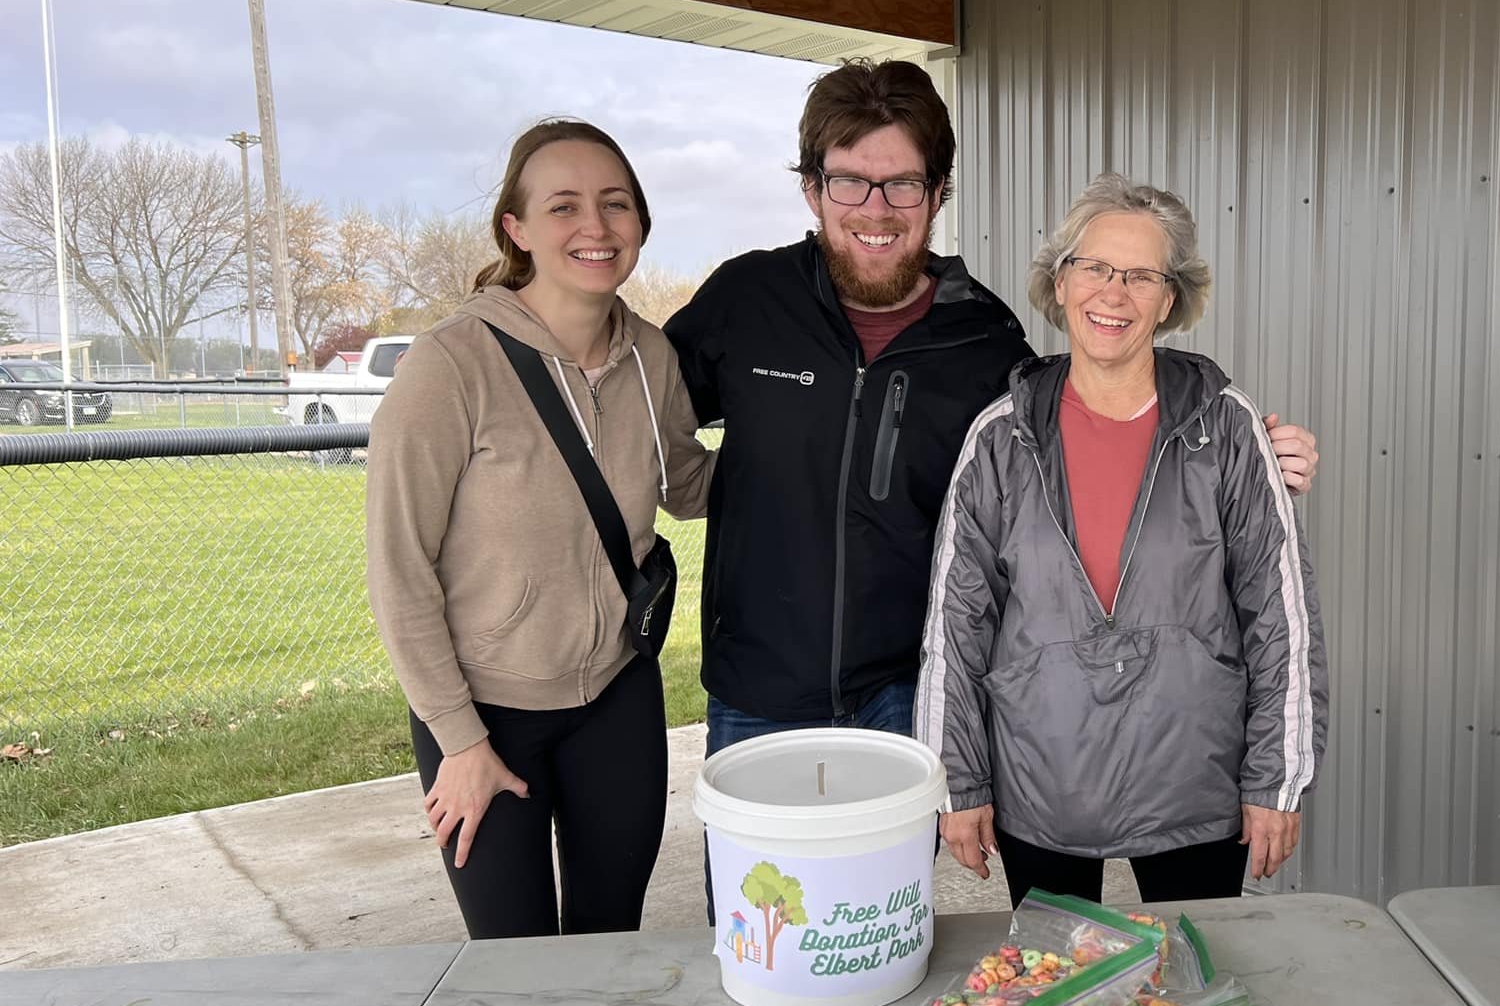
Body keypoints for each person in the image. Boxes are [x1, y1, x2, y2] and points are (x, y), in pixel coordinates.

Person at [664, 61, 1321, 917]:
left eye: (901, 183)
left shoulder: (985, 342)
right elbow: (630, 406)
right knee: (771, 937)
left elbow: (1266, 603)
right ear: (811, 187)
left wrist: (1264, 455)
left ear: (937, 193)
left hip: (918, 688)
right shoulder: (747, 302)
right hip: (766, 690)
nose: (875, 207)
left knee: (884, 932)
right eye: (850, 182)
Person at [917, 173, 1329, 905]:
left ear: (1170, 299)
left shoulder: (1226, 427)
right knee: (1054, 996)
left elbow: (1283, 618)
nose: (1114, 293)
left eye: (1142, 275)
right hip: (1042, 780)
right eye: (1095, 267)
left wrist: (1278, 776)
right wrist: (960, 779)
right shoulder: (1000, 437)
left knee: (1195, 994)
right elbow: (956, 627)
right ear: (1060, 279)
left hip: (1193, 781)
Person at [366, 119, 714, 938]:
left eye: (615, 204)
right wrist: (458, 741)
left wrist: (806, 455)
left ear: (639, 225)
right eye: (564, 206)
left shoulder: (650, 356)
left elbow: (687, 482)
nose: (595, 227)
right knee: (514, 970)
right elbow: (399, 571)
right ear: (516, 229)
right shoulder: (450, 365)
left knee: (607, 944)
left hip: (616, 695)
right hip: (488, 715)